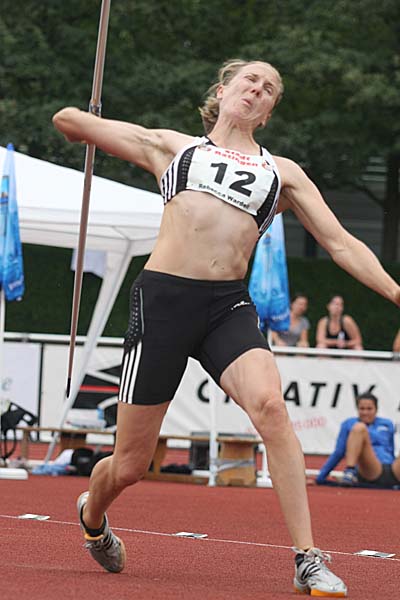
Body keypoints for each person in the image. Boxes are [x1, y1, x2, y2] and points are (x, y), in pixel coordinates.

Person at [53, 58, 400, 597]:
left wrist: (397, 293)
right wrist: (85, 117)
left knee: (272, 408)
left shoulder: (282, 173)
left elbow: (341, 244)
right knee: (130, 465)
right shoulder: (173, 147)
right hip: (164, 302)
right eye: (249, 81)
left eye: (269, 89)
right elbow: (67, 122)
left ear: (269, 112)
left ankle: (307, 557)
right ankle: (93, 515)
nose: (257, 90)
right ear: (223, 91)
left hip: (226, 305)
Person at [316, 392, 400, 488]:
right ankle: (350, 471)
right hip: (371, 470)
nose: (365, 413)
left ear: (376, 409)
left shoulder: (387, 423)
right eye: (362, 409)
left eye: (369, 409)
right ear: (357, 409)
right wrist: (320, 477)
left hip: (392, 469)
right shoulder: (349, 424)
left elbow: (390, 449)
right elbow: (339, 452)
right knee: (359, 428)